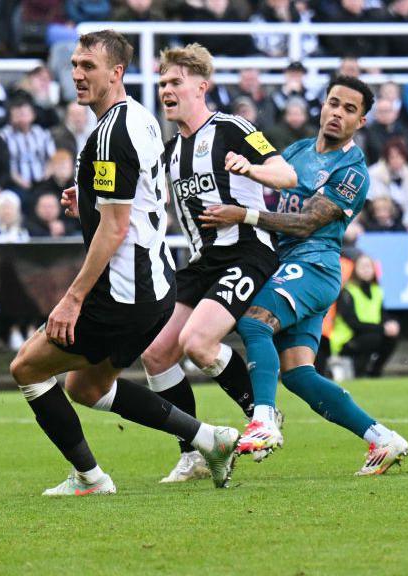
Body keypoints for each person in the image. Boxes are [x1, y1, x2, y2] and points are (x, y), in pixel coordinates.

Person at [9, 30, 241, 497]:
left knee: (27, 368)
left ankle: (90, 479)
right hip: (154, 289)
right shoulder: (137, 117)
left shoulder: (112, 132)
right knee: (86, 388)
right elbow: (136, 196)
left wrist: (72, 299)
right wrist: (90, 197)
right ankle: (208, 439)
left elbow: (115, 230)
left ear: (116, 73)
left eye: (88, 67)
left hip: (122, 292)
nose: (76, 74)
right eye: (74, 64)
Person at [200, 75, 408, 476]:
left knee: (254, 321)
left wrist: (245, 215)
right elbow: (260, 182)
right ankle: (382, 438)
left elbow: (305, 223)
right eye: (334, 103)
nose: (338, 113)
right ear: (323, 106)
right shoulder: (295, 151)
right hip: (285, 265)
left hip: (315, 264)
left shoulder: (353, 172)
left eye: (350, 110)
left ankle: (263, 421)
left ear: (362, 122)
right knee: (297, 373)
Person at [144, 43, 298, 483]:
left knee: (197, 343)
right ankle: (194, 448)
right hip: (203, 260)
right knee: (156, 355)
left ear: (201, 87)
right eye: (162, 84)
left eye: (175, 82)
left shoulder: (232, 128)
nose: (166, 90)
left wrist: (251, 170)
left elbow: (286, 175)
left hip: (248, 251)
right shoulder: (172, 150)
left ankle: (262, 416)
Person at [331, 254, 400, 378]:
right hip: (347, 339)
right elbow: (352, 322)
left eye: (369, 266)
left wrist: (390, 324)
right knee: (373, 338)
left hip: (370, 333)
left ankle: (375, 372)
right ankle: (359, 372)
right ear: (355, 269)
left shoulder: (376, 290)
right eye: (362, 267)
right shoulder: (348, 291)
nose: (366, 270)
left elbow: (383, 315)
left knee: (390, 337)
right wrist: (381, 328)